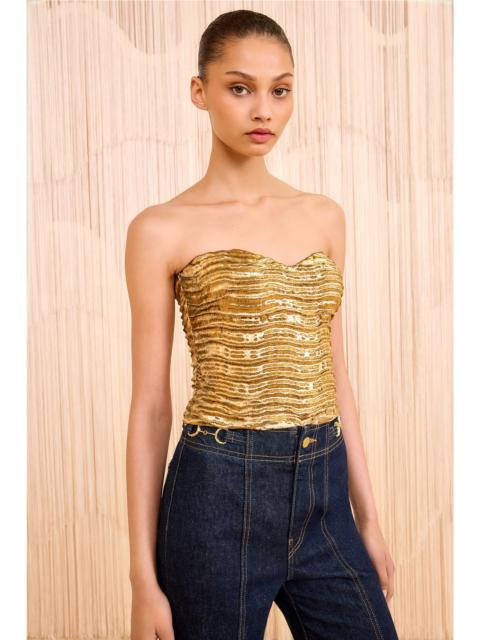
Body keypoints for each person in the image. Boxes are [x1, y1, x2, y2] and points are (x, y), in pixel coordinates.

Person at [125, 9, 399, 640]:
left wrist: (368, 520)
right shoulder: (160, 229)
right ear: (200, 92)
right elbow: (151, 408)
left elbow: (335, 376)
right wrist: (143, 578)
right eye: (240, 87)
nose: (263, 110)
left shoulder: (324, 216)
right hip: (216, 497)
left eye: (280, 90)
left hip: (324, 490)